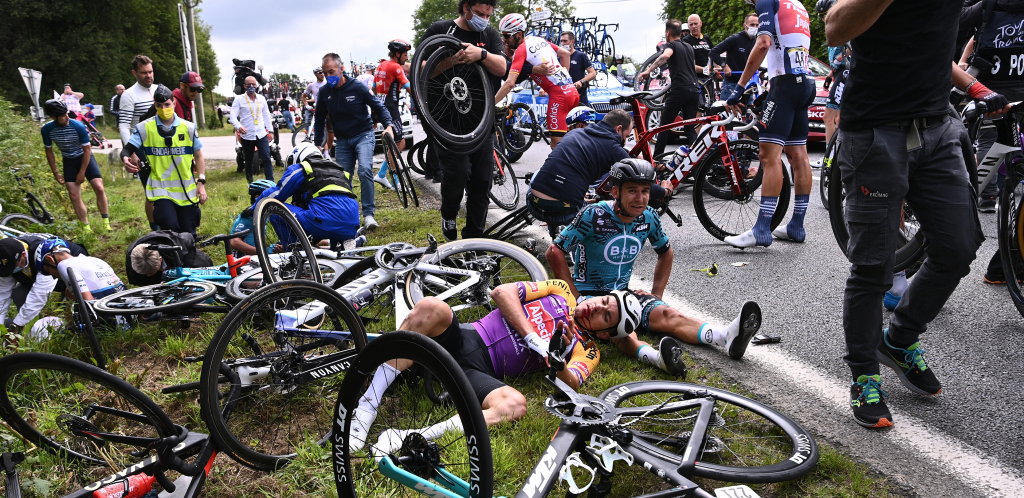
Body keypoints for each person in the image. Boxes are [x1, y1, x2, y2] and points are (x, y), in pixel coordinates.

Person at [824, 0, 1010, 428]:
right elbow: (835, 28)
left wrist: (976, 89)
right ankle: (864, 373)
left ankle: (900, 337)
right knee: (874, 265)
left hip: (936, 126)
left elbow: (930, 46)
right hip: (875, 130)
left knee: (959, 247)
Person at [347, 279, 619, 452]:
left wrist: (558, 360)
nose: (598, 308)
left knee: (514, 405)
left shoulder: (589, 349)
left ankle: (407, 436)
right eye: (604, 301)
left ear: (605, 333)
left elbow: (570, 383)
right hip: (465, 337)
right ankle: (366, 407)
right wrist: (532, 337)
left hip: (480, 372)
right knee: (431, 306)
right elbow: (502, 292)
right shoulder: (561, 291)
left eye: (606, 316)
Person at [547, 159, 763, 372]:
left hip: (623, 294)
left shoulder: (649, 217)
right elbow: (555, 251)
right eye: (632, 191)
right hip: (591, 296)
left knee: (668, 315)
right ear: (615, 192)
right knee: (623, 333)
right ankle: (657, 358)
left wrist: (656, 295)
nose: (640, 199)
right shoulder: (593, 215)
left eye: (645, 191)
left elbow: (666, 252)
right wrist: (574, 296)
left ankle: (725, 337)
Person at [723, 0, 815, 248]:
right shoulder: (796, 5)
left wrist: (740, 88)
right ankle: (797, 225)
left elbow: (763, 43)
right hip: (804, 82)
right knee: (799, 156)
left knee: (768, 156)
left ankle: (762, 229)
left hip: (785, 85)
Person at [419, 0, 507, 241]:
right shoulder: (440, 30)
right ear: (466, 7)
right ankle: (449, 213)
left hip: (482, 121)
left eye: (488, 14)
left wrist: (481, 54)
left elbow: (502, 68)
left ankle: (474, 238)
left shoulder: (488, 34)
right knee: (457, 173)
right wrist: (453, 60)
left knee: (482, 182)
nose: (484, 19)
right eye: (479, 13)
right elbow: (421, 69)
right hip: (447, 122)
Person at [313, 52, 393, 231]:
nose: (328, 77)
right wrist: (318, 143)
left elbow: (377, 106)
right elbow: (319, 119)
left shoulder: (356, 87)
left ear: (342, 69)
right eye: (325, 73)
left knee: (365, 170)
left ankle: (369, 215)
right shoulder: (325, 92)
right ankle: (349, 217)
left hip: (363, 134)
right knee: (342, 179)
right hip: (342, 141)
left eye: (332, 72)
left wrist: (388, 125)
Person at [527, 109, 633, 238]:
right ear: (619, 129)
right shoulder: (615, 149)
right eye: (626, 136)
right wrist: (664, 192)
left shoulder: (574, 133)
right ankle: (567, 240)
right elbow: (641, 184)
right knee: (605, 219)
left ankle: (557, 239)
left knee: (544, 173)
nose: (625, 142)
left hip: (534, 205)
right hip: (567, 213)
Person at [121, 84, 208, 236]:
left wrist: (201, 183)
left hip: (186, 190)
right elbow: (127, 149)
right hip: (160, 189)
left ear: (174, 103)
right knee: (169, 228)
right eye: (159, 105)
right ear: (154, 105)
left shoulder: (188, 128)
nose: (163, 108)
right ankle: (170, 258)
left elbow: (199, 156)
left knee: (188, 233)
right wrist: (125, 158)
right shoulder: (144, 127)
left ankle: (187, 259)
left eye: (167, 104)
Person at [495, 13, 580, 151]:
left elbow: (510, 83)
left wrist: (492, 104)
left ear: (518, 34)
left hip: (559, 97)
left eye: (506, 36)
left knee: (557, 147)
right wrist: (564, 78)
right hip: (571, 91)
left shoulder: (521, 50)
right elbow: (565, 54)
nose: (504, 40)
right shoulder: (537, 39)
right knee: (570, 143)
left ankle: (563, 172)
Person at [253, 142, 361, 248]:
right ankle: (340, 249)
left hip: (321, 223)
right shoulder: (341, 172)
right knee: (338, 258)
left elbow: (277, 194)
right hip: (351, 226)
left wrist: (254, 207)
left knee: (275, 209)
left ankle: (296, 254)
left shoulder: (301, 168)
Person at [0, 235, 88, 347]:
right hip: (38, 275)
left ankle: (70, 338)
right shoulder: (6, 258)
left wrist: (15, 326)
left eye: (13, 266)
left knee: (72, 309)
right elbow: (2, 295)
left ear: (23, 255)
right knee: (19, 293)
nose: (11, 270)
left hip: (73, 273)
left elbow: (39, 295)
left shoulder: (44, 254)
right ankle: (33, 329)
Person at [40, 99, 111, 232]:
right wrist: (55, 172)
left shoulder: (77, 125)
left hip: (85, 158)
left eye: (66, 113)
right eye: (62, 115)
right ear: (53, 117)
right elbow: (49, 151)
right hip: (69, 161)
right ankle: (86, 227)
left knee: (99, 188)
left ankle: (106, 222)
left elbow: (87, 150)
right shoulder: (47, 129)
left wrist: (82, 172)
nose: (67, 116)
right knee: (73, 195)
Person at [637, 20, 700, 157]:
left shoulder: (670, 45)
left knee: (664, 126)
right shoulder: (689, 47)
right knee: (689, 128)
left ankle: (657, 159)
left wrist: (648, 71)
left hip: (679, 90)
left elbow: (665, 55)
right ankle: (698, 160)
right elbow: (693, 67)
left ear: (668, 33)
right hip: (694, 90)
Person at [119, 54, 158, 229]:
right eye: (144, 73)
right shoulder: (128, 95)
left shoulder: (159, 89)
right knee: (151, 190)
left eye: (150, 71)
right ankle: (155, 228)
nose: (148, 76)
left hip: (163, 145)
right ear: (135, 73)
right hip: (142, 146)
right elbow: (124, 126)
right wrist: (132, 152)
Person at [373, 40, 413, 191]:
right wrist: (423, 99)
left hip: (381, 106)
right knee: (399, 144)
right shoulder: (396, 67)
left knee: (395, 144)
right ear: (397, 54)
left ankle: (382, 174)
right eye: (405, 54)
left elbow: (373, 88)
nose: (407, 57)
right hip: (391, 107)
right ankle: (397, 181)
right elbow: (408, 87)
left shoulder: (381, 65)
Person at [126, 230, 213, 286]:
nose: (148, 275)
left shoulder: (175, 245)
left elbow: (188, 238)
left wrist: (183, 272)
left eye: (151, 272)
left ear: (160, 259)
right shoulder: (133, 258)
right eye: (145, 273)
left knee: (204, 266)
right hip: (161, 268)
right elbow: (137, 281)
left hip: (183, 255)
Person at [230, 76, 276, 182]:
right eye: (249, 84)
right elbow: (232, 116)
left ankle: (271, 183)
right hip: (247, 135)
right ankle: (250, 182)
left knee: (267, 159)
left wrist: (271, 130)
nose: (251, 86)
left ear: (257, 85)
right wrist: (239, 126)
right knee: (249, 161)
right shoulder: (239, 99)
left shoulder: (262, 98)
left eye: (253, 84)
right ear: (244, 86)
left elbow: (266, 116)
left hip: (261, 134)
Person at [710, 13, 759, 107]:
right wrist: (724, 65)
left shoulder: (756, 41)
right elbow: (713, 52)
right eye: (752, 25)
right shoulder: (735, 39)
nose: (755, 27)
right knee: (726, 116)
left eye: (757, 25)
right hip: (731, 84)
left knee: (748, 115)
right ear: (745, 25)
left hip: (747, 85)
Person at [228, 180, 276, 256]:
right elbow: (234, 242)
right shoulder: (250, 215)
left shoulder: (263, 213)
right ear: (257, 197)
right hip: (242, 258)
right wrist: (264, 252)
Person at [559, 31, 597, 107]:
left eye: (565, 41)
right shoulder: (559, 57)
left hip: (579, 95)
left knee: (584, 118)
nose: (563, 44)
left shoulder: (581, 55)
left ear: (572, 41)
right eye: (561, 41)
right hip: (563, 95)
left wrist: (581, 81)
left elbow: (593, 73)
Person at [684, 15, 717, 88]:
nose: (694, 26)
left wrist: (719, 68)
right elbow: (689, 64)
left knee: (711, 98)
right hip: (694, 79)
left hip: (709, 78)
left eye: (695, 23)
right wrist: (707, 70)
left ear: (700, 23)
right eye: (691, 24)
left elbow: (713, 56)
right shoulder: (686, 41)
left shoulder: (707, 38)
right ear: (688, 26)